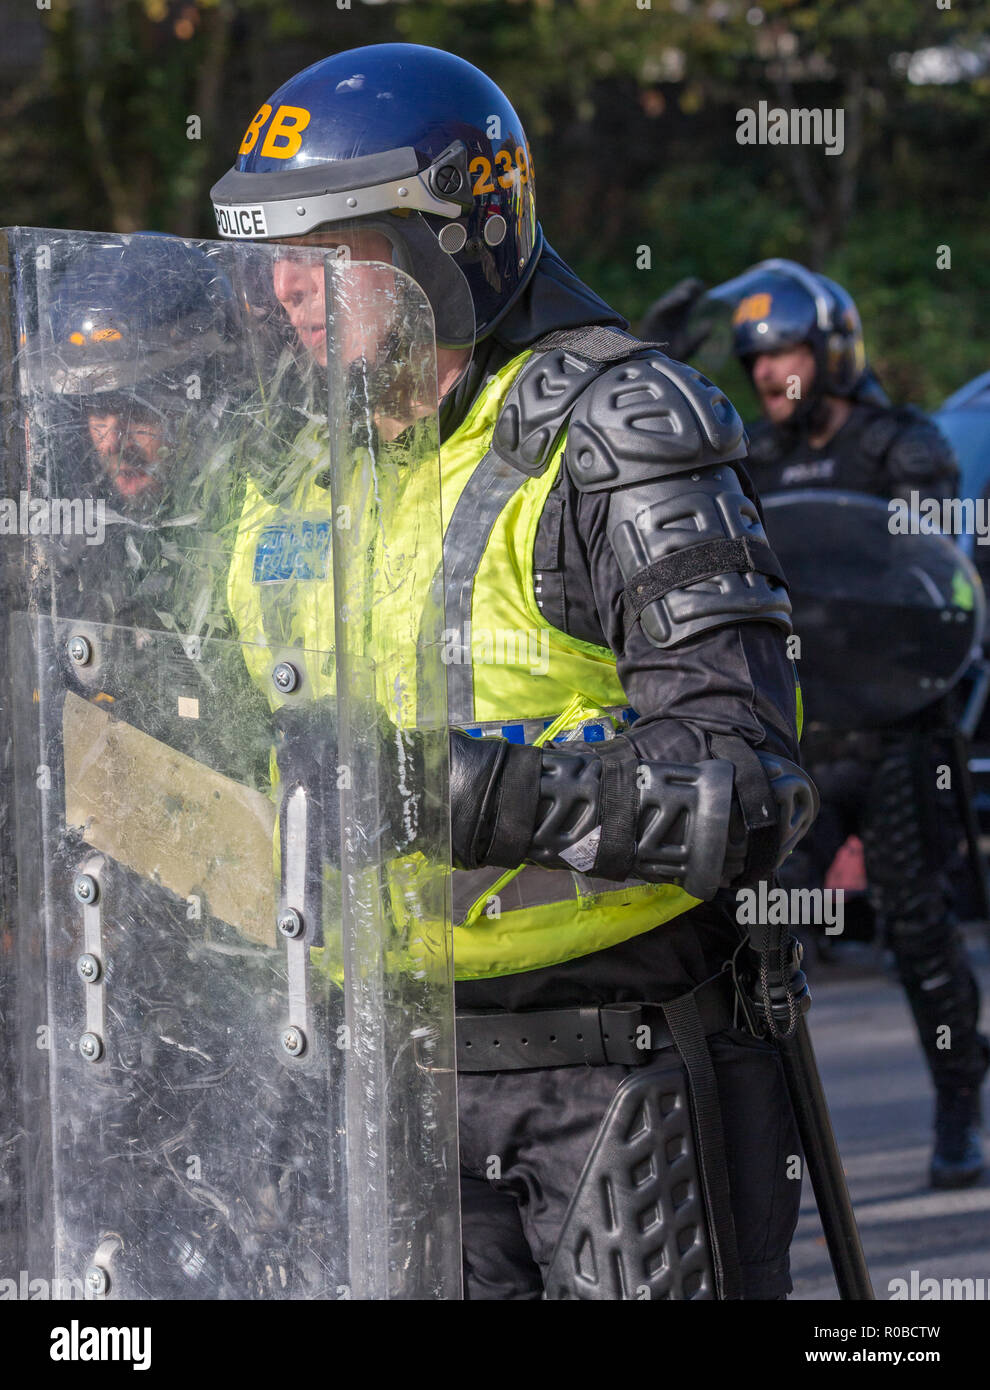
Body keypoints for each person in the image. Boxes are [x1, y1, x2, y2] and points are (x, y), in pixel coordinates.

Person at [209, 44, 819, 1299]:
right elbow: (225, 744)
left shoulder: (616, 434)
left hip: (619, 1063)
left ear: (455, 237)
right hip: (380, 1069)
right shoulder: (286, 474)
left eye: (332, 251)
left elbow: (747, 782)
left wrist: (461, 793)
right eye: (270, 254)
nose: (289, 292)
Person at [718, 259, 988, 1189]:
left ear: (828, 351)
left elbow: (937, 592)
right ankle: (770, 1135)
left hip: (903, 732)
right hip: (801, 736)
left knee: (917, 927)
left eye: (783, 351)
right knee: (762, 934)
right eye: (754, 358)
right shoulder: (750, 456)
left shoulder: (900, 445)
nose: (766, 373)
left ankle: (959, 1104)